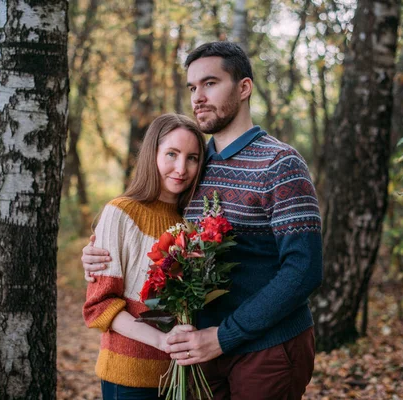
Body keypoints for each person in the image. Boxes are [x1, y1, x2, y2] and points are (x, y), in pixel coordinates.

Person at [82, 42, 323, 400]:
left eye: (210, 83)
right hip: (200, 355)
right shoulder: (194, 168)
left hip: (265, 348)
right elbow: (154, 229)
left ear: (244, 88)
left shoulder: (281, 163)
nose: (198, 97)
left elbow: (304, 270)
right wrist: (97, 254)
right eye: (193, 87)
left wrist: (225, 335)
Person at [83, 113, 206, 400]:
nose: (181, 168)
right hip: (129, 378)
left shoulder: (191, 226)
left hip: (181, 378)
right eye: (172, 154)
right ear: (153, 154)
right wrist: (163, 341)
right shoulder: (120, 212)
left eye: (192, 158)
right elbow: (100, 305)